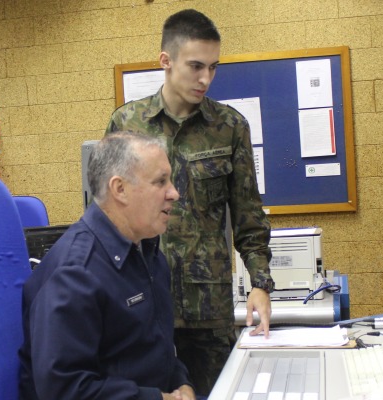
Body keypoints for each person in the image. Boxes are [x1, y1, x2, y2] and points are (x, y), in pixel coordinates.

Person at [105, 9, 275, 395]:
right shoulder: (127, 124)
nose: (206, 79)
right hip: (142, 308)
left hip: (207, 311)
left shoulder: (229, 127)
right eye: (196, 66)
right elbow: (108, 217)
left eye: (213, 68)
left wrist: (260, 284)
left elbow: (249, 215)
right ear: (165, 61)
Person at [18, 131, 195, 400]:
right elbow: (64, 390)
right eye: (161, 182)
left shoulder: (149, 254)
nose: (174, 193)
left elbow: (159, 348)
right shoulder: (75, 273)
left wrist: (183, 385)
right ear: (120, 189)